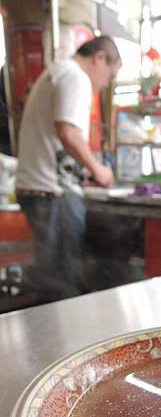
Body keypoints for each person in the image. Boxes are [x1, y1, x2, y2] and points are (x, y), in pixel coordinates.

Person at [15, 35, 121, 301]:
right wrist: (98, 169)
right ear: (99, 58)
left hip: (40, 187)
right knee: (60, 283)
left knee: (50, 275)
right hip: (54, 192)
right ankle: (62, 328)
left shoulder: (57, 71)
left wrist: (82, 172)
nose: (105, 84)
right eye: (110, 75)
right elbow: (68, 133)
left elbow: (55, 142)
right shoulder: (75, 76)